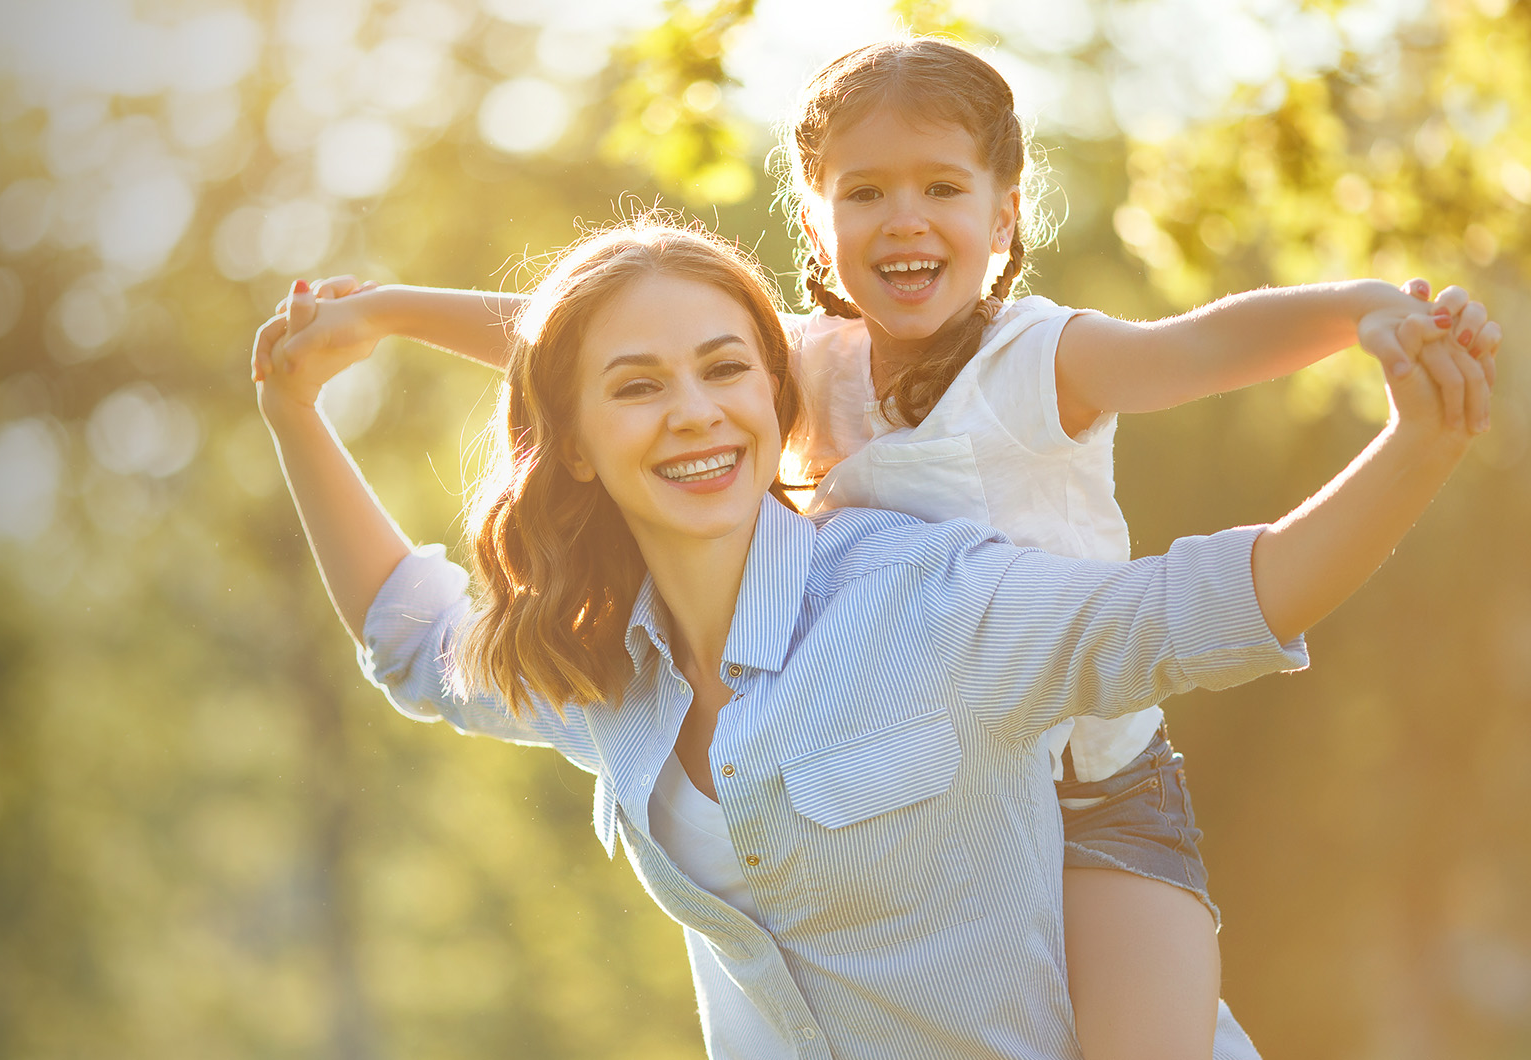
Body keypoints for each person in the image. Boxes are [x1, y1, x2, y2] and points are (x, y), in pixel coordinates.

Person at [253, 38, 1502, 1060]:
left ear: (1006, 213)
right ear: (815, 216)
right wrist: (347, 351)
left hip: (1104, 786)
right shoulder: (781, 402)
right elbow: (560, 352)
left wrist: (1372, 341)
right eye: (864, 193)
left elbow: (1197, 416)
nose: (904, 220)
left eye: (942, 189)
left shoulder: (1019, 400)